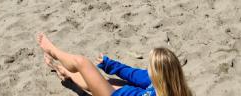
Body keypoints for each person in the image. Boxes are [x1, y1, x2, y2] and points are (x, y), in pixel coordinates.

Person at [37, 34, 193, 96]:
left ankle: (53, 50)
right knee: (105, 81)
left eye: (150, 67)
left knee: (82, 63)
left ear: (158, 74)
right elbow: (132, 74)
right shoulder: (171, 85)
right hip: (125, 92)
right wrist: (110, 65)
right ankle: (66, 72)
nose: (148, 70)